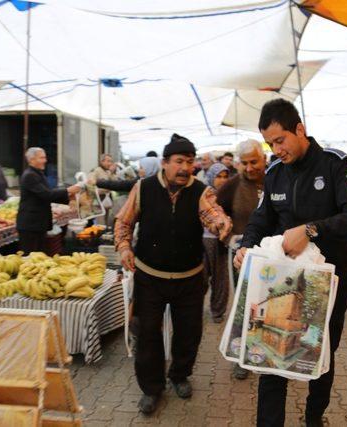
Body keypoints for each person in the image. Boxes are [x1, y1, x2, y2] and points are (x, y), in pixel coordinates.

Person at [233, 99, 347, 427]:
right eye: (270, 144)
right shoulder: (275, 173)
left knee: (320, 357)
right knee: (272, 361)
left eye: (279, 141)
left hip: (328, 285)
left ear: (300, 129)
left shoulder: (335, 165)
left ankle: (314, 417)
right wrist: (246, 245)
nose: (276, 149)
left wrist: (311, 230)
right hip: (281, 283)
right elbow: (261, 218)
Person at [114, 133, 232, 415]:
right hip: (149, 278)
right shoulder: (143, 188)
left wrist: (221, 224)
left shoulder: (200, 191)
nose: (185, 168)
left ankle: (179, 375)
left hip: (189, 279)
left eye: (190, 162)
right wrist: (124, 247)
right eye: (179, 161)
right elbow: (124, 221)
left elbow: (213, 213)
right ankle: (152, 389)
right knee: (147, 336)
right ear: (165, 163)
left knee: (189, 333)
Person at [217, 138, 266, 381]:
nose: (249, 168)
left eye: (254, 162)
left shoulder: (277, 178)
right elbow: (216, 209)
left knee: (269, 304)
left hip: (273, 254)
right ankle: (242, 357)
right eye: (244, 163)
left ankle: (268, 353)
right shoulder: (232, 185)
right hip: (242, 254)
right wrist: (225, 231)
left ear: (264, 158)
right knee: (244, 305)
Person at [16, 147, 81, 254]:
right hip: (30, 225)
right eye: (42, 158)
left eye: (44, 157)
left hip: (37, 224)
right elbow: (46, 194)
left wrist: (69, 197)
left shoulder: (37, 173)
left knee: (40, 255)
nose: (45, 160)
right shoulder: (30, 175)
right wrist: (68, 190)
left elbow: (47, 194)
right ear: (32, 160)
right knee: (31, 256)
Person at [202, 163, 231, 323]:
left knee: (220, 278)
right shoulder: (204, 194)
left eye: (225, 176)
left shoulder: (229, 194)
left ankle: (218, 311)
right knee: (201, 276)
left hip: (222, 241)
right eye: (218, 176)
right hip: (203, 239)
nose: (222, 180)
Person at [89, 154, 118, 225]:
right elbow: (90, 183)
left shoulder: (108, 171)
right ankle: (100, 233)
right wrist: (99, 190)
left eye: (111, 161)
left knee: (106, 218)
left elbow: (115, 183)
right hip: (99, 197)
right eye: (108, 161)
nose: (110, 163)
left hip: (107, 197)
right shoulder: (96, 170)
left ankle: (105, 232)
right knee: (100, 220)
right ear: (102, 161)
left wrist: (112, 172)